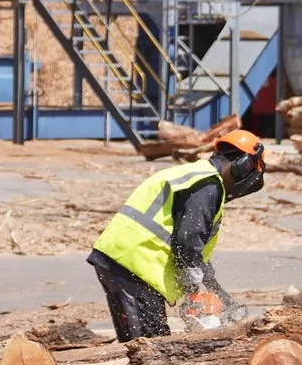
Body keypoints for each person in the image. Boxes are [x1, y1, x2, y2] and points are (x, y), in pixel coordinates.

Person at [89, 128, 266, 340]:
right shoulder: (208, 185)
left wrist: (216, 291)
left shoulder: (196, 176)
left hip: (125, 261)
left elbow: (193, 250)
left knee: (145, 341)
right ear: (243, 166)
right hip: (134, 265)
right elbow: (188, 241)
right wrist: (193, 292)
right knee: (150, 348)